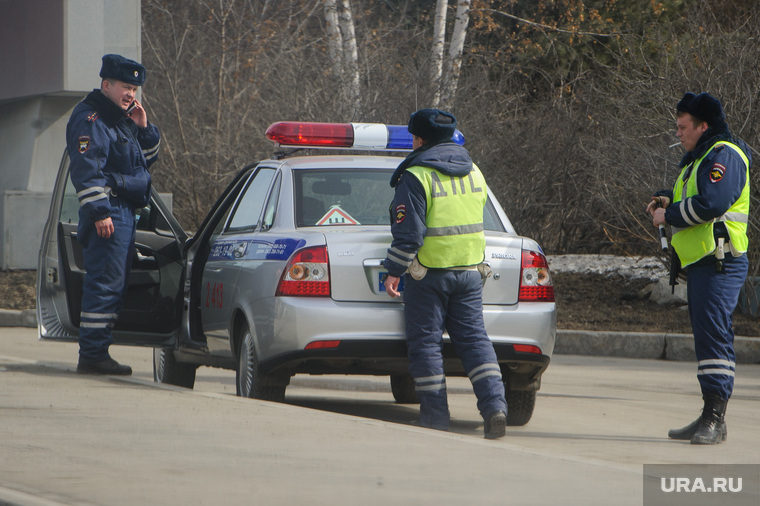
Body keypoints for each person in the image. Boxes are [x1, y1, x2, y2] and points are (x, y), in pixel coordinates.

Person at [383, 108, 508, 439]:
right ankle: (495, 407)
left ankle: (435, 417)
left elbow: (409, 235)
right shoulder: (474, 171)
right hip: (469, 272)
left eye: (413, 137)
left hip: (429, 276)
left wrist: (394, 271)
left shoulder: (417, 175)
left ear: (420, 139)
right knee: (475, 342)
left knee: (426, 345)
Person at [646, 92, 752, 445]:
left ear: (703, 126)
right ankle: (709, 415)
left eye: (682, 127)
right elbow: (695, 196)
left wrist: (670, 214)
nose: (678, 133)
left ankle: (714, 419)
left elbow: (711, 202)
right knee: (708, 339)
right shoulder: (701, 158)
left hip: (720, 262)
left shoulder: (725, 155)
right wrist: (667, 198)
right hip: (705, 264)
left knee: (715, 337)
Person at [66, 54, 161, 375]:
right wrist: (100, 212)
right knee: (105, 284)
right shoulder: (92, 119)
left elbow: (144, 163)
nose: (131, 93)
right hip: (108, 212)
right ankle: (92, 355)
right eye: (125, 86)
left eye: (135, 88)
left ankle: (97, 352)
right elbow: (86, 170)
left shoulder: (120, 120)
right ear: (106, 85)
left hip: (123, 212)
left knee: (114, 284)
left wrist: (143, 128)